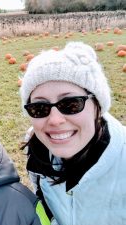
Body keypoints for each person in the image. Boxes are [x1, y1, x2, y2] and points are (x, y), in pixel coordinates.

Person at [20, 41, 126, 225]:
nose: (54, 120)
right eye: (39, 107)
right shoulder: (37, 151)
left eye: (70, 104)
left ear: (97, 106)